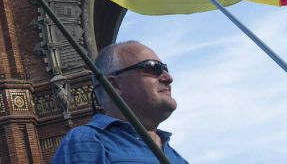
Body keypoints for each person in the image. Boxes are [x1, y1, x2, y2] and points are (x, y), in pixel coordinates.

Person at [51, 41, 188, 163]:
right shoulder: (87, 141)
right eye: (153, 67)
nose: (168, 78)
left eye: (165, 68)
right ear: (115, 85)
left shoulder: (177, 158)